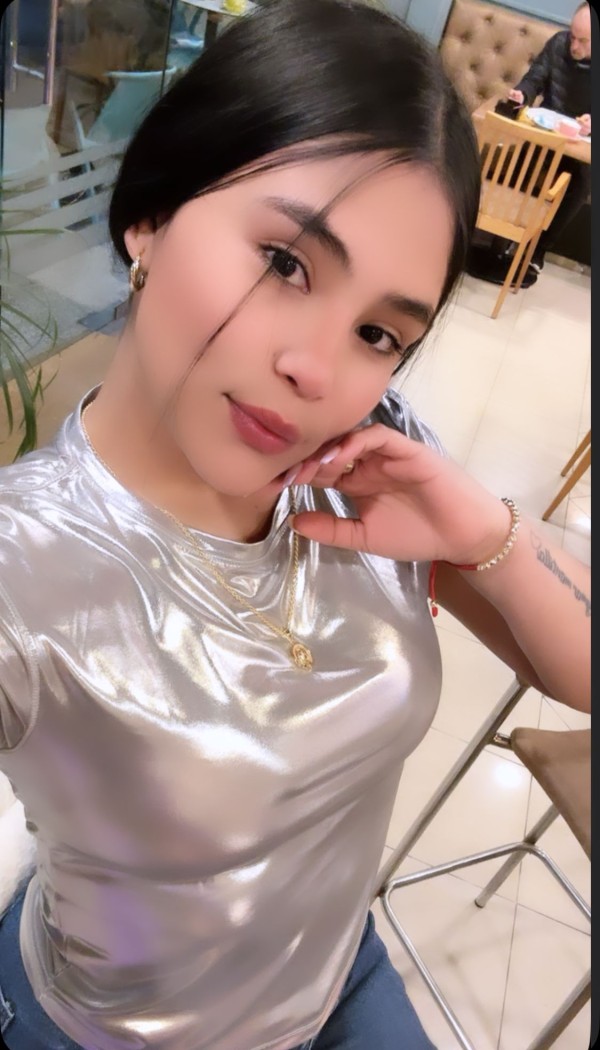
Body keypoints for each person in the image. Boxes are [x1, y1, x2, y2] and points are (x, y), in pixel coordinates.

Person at [0, 2, 591, 1049]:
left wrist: (477, 528)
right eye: (284, 263)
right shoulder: (24, 564)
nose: (317, 371)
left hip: (338, 970)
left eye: (378, 332)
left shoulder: (370, 463)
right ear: (150, 216)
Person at [507, 0, 591, 272]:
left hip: (579, 146)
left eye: (583, 41)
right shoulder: (558, 44)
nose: (574, 46)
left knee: (582, 185)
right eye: (573, 36)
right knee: (518, 161)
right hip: (545, 133)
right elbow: (535, 79)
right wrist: (522, 95)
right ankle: (506, 237)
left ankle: (538, 250)